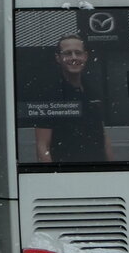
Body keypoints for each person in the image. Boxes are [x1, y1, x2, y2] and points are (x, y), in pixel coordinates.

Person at [34, 34, 114, 163]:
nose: (74, 58)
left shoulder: (93, 92)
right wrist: (53, 179)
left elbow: (103, 137)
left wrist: (112, 172)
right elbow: (42, 146)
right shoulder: (49, 95)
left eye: (78, 53)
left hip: (97, 172)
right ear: (58, 58)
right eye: (67, 53)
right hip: (66, 175)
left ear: (85, 56)